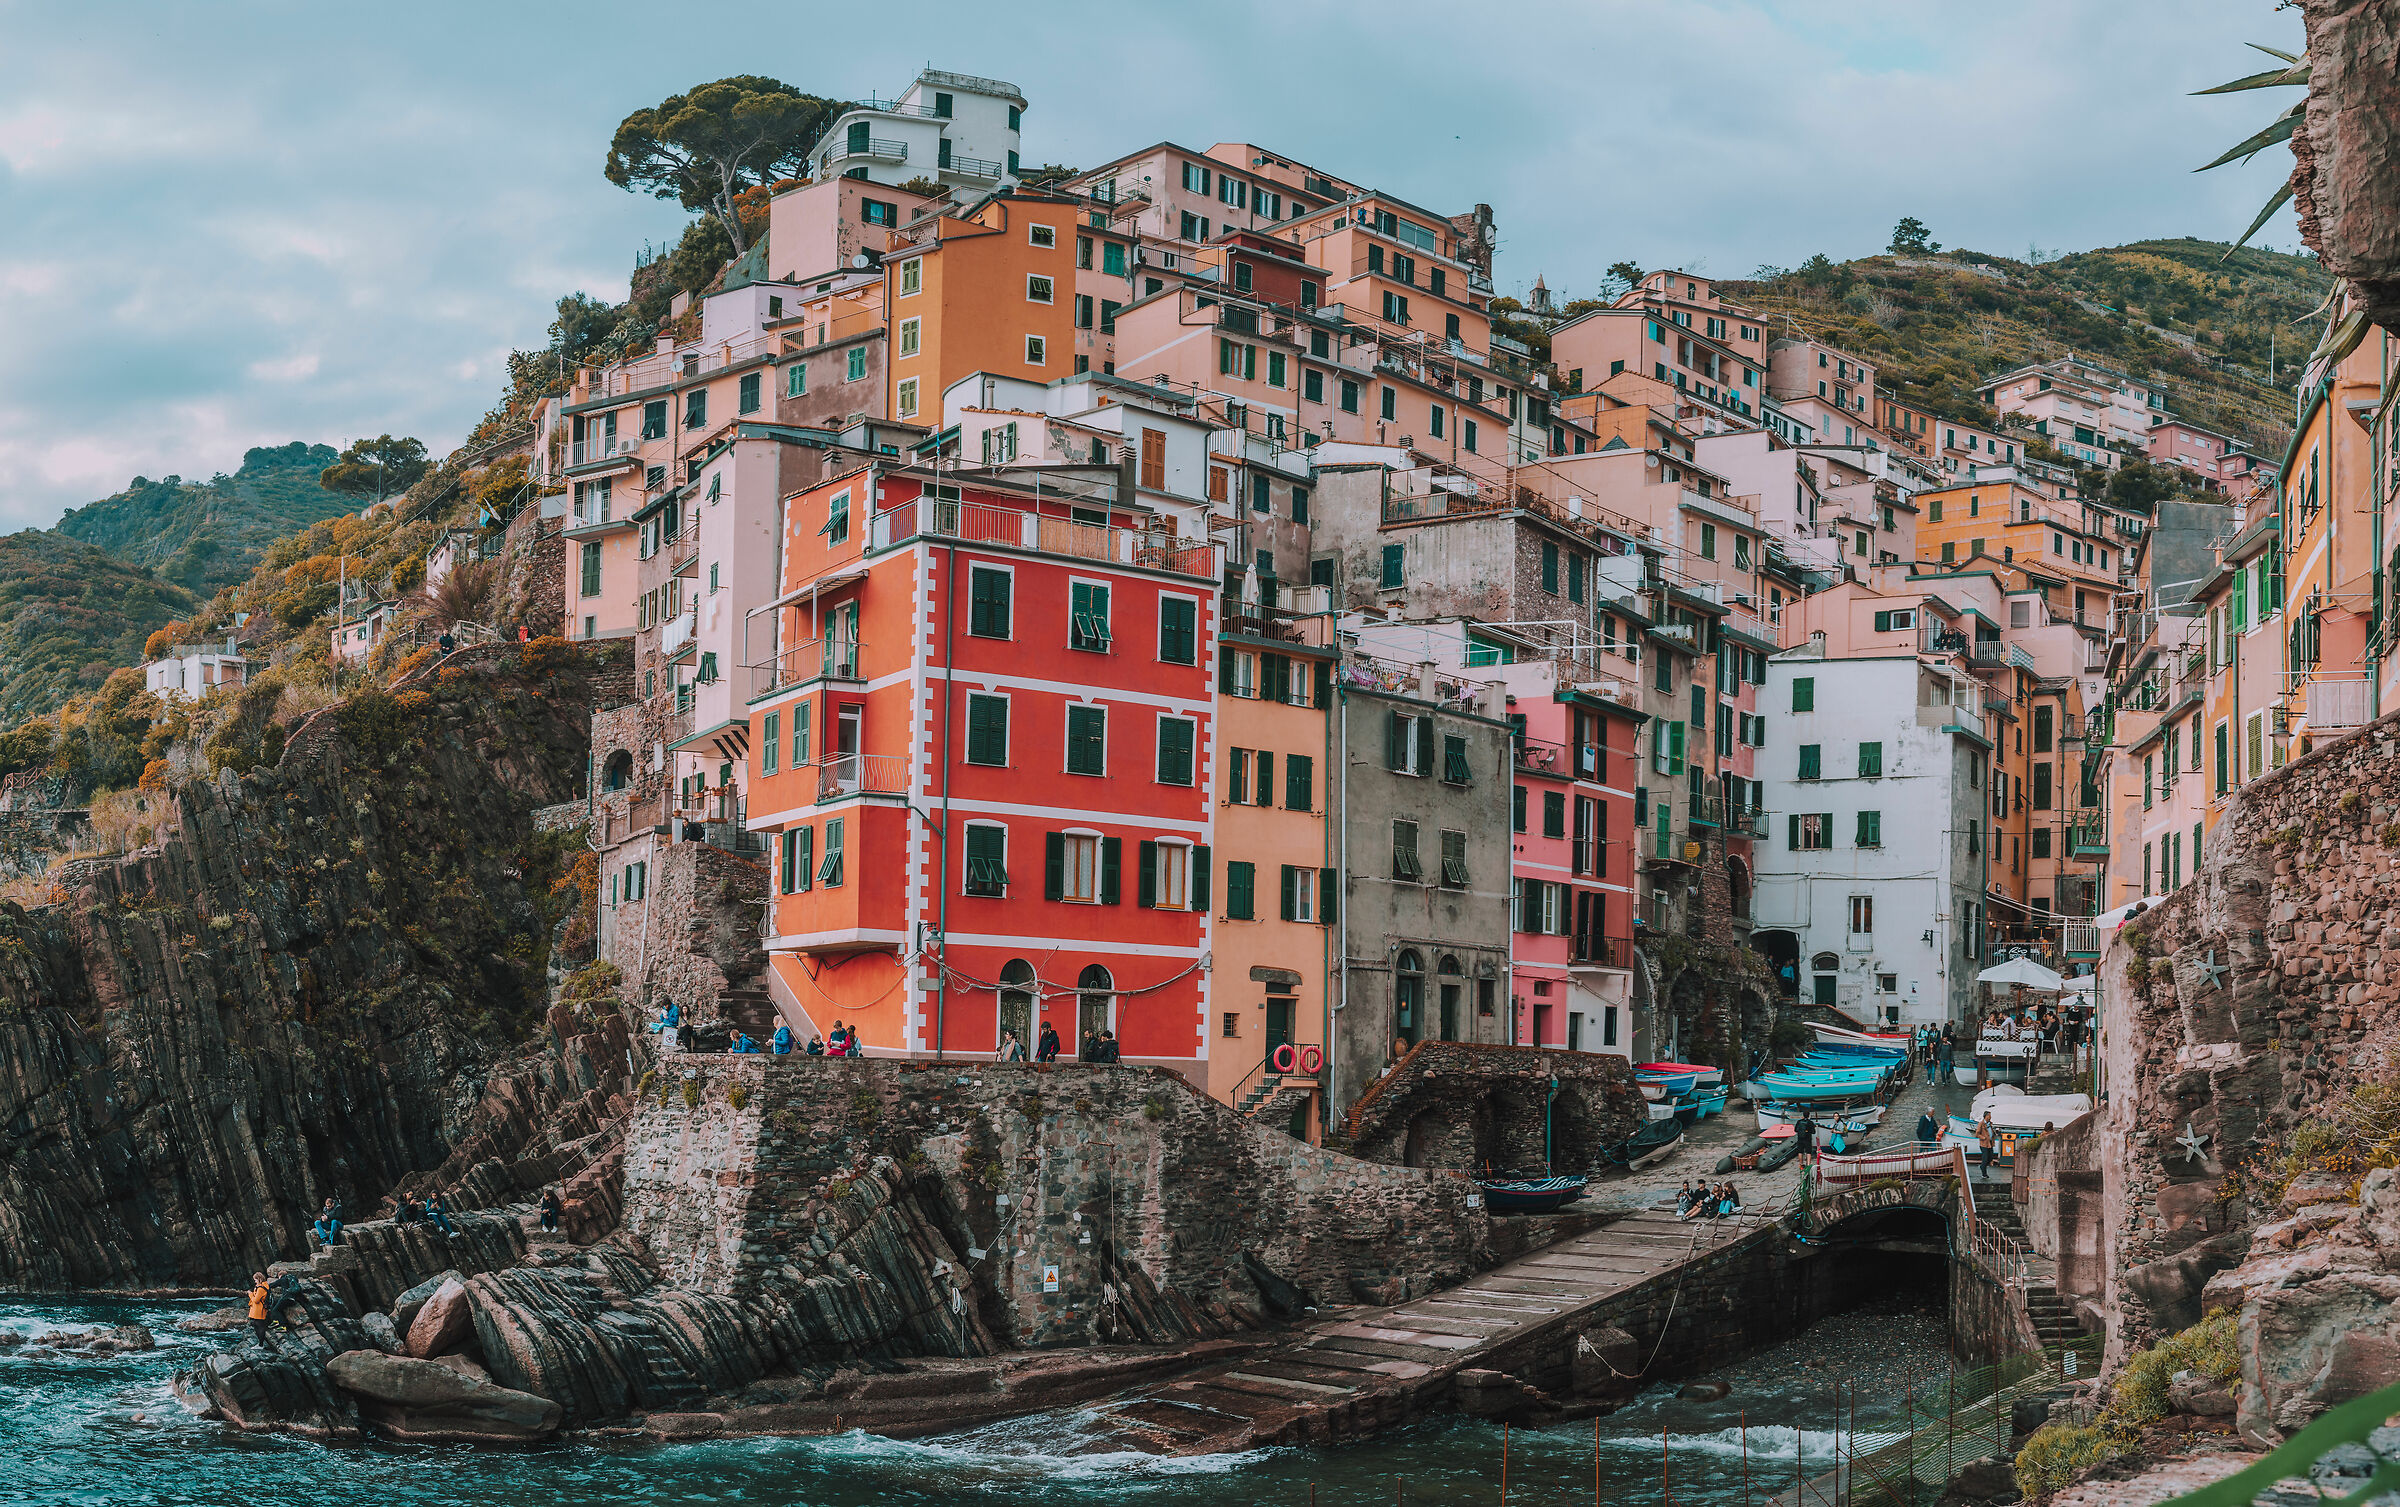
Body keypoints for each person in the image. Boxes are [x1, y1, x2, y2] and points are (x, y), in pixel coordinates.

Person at [247, 1273, 274, 1347]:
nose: (255, 1281)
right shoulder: (264, 1286)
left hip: (259, 1310)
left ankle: (261, 1345)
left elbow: (256, 1300)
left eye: (255, 1279)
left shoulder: (261, 1288)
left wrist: (250, 1294)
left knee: (260, 1326)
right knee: (256, 1325)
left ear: (259, 1279)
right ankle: (260, 1343)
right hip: (258, 1310)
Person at [1975, 1112, 1998, 1178]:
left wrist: (1995, 1133)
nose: (1990, 1116)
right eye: (1990, 1115)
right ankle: (1984, 1174)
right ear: (1986, 1116)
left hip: (1990, 1143)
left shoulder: (1990, 1123)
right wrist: (1983, 1138)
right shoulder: (1981, 1123)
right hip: (1984, 1144)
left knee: (1991, 1157)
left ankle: (1982, 1166)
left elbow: (1991, 1131)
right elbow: (1977, 1134)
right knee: (1985, 1159)